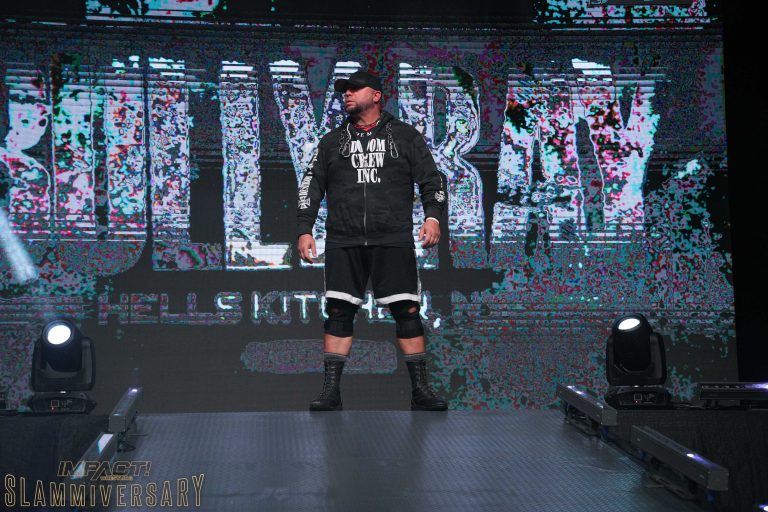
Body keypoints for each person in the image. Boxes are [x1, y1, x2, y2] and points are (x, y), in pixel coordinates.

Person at [296, 70, 448, 411]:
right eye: (344, 90)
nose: (347, 94)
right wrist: (305, 228)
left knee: (407, 310)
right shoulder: (332, 142)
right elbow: (311, 185)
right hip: (344, 239)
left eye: (354, 89)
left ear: (377, 95)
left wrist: (432, 217)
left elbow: (432, 180)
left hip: (391, 238)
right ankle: (330, 392)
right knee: (338, 310)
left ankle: (421, 391)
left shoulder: (405, 136)